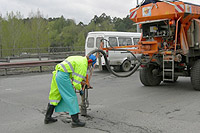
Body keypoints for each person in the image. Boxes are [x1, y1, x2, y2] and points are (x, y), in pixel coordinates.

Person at [44, 54, 96, 128]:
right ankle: (75, 121)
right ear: (90, 62)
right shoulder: (83, 65)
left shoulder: (78, 58)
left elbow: (71, 70)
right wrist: (80, 90)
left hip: (57, 74)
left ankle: (47, 118)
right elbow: (76, 83)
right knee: (71, 97)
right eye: (91, 64)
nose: (90, 66)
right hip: (63, 76)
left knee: (55, 96)